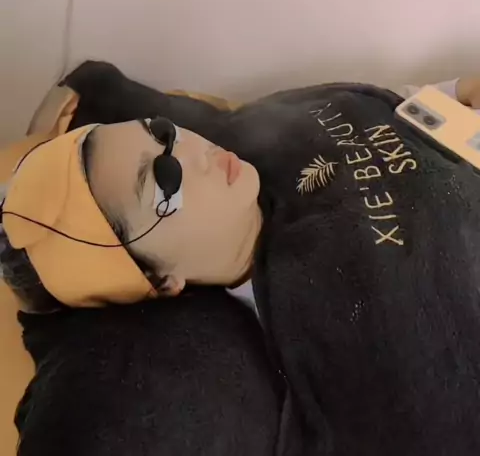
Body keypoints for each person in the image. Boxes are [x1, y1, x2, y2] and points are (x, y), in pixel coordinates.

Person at [2, 61, 480, 455]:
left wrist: (457, 92)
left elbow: (400, 110)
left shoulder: (256, 132)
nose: (193, 149)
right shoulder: (304, 337)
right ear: (162, 279)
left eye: (162, 131)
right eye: (166, 180)